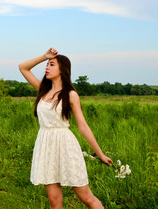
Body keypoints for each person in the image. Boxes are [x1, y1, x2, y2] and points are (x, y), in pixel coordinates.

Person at [18, 48, 112, 209]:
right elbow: (23, 67)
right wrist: (44, 56)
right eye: (46, 65)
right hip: (46, 147)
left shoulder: (71, 95)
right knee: (54, 201)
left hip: (66, 148)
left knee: (86, 197)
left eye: (51, 64)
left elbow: (83, 127)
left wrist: (100, 154)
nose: (47, 67)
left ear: (63, 69)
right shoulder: (43, 89)